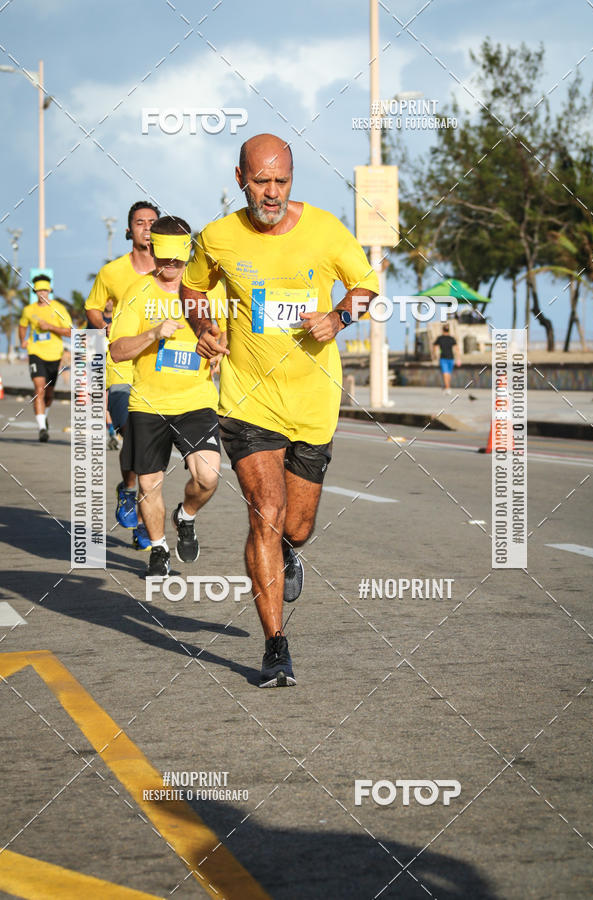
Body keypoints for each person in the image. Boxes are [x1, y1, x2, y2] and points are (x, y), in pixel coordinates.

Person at [181, 133, 379, 688]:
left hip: (313, 401)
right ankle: (276, 646)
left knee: (297, 524)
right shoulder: (217, 237)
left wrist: (339, 317)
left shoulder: (324, 230)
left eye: (282, 182)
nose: (271, 194)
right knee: (265, 511)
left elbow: (365, 286)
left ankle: (291, 552)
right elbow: (194, 291)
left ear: (292, 180)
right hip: (247, 399)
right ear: (239, 177)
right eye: (261, 181)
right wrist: (205, 326)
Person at [110, 216, 221, 580]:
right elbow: (118, 350)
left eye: (178, 259)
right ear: (153, 250)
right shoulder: (137, 293)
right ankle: (158, 549)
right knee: (147, 484)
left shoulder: (208, 292)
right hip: (148, 405)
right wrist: (153, 333)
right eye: (165, 258)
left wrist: (221, 350)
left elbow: (229, 334)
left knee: (207, 477)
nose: (171, 266)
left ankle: (185, 516)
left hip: (196, 401)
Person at [85, 201, 160, 550]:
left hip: (161, 372)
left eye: (152, 222)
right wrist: (106, 327)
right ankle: (130, 491)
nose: (146, 227)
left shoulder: (171, 272)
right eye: (140, 222)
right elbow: (92, 307)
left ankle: (145, 519)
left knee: (150, 448)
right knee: (133, 432)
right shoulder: (112, 272)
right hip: (121, 369)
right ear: (129, 231)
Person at [19, 274, 72, 441]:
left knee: (49, 394)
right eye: (39, 290)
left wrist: (50, 327)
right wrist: (23, 340)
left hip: (54, 354)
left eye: (45, 290)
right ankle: (42, 428)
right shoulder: (29, 310)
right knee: (39, 390)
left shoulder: (58, 308)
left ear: (50, 291)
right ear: (35, 291)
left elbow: (70, 331)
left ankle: (44, 416)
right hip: (35, 352)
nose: (42, 293)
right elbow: (22, 326)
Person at [433, 323, 461, 394]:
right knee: (448, 373)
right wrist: (458, 358)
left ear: (442, 330)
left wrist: (435, 355)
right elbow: (456, 349)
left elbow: (435, 347)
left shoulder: (440, 338)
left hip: (443, 358)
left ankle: (447, 388)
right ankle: (447, 387)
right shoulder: (452, 339)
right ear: (449, 330)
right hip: (451, 358)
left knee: (445, 373)